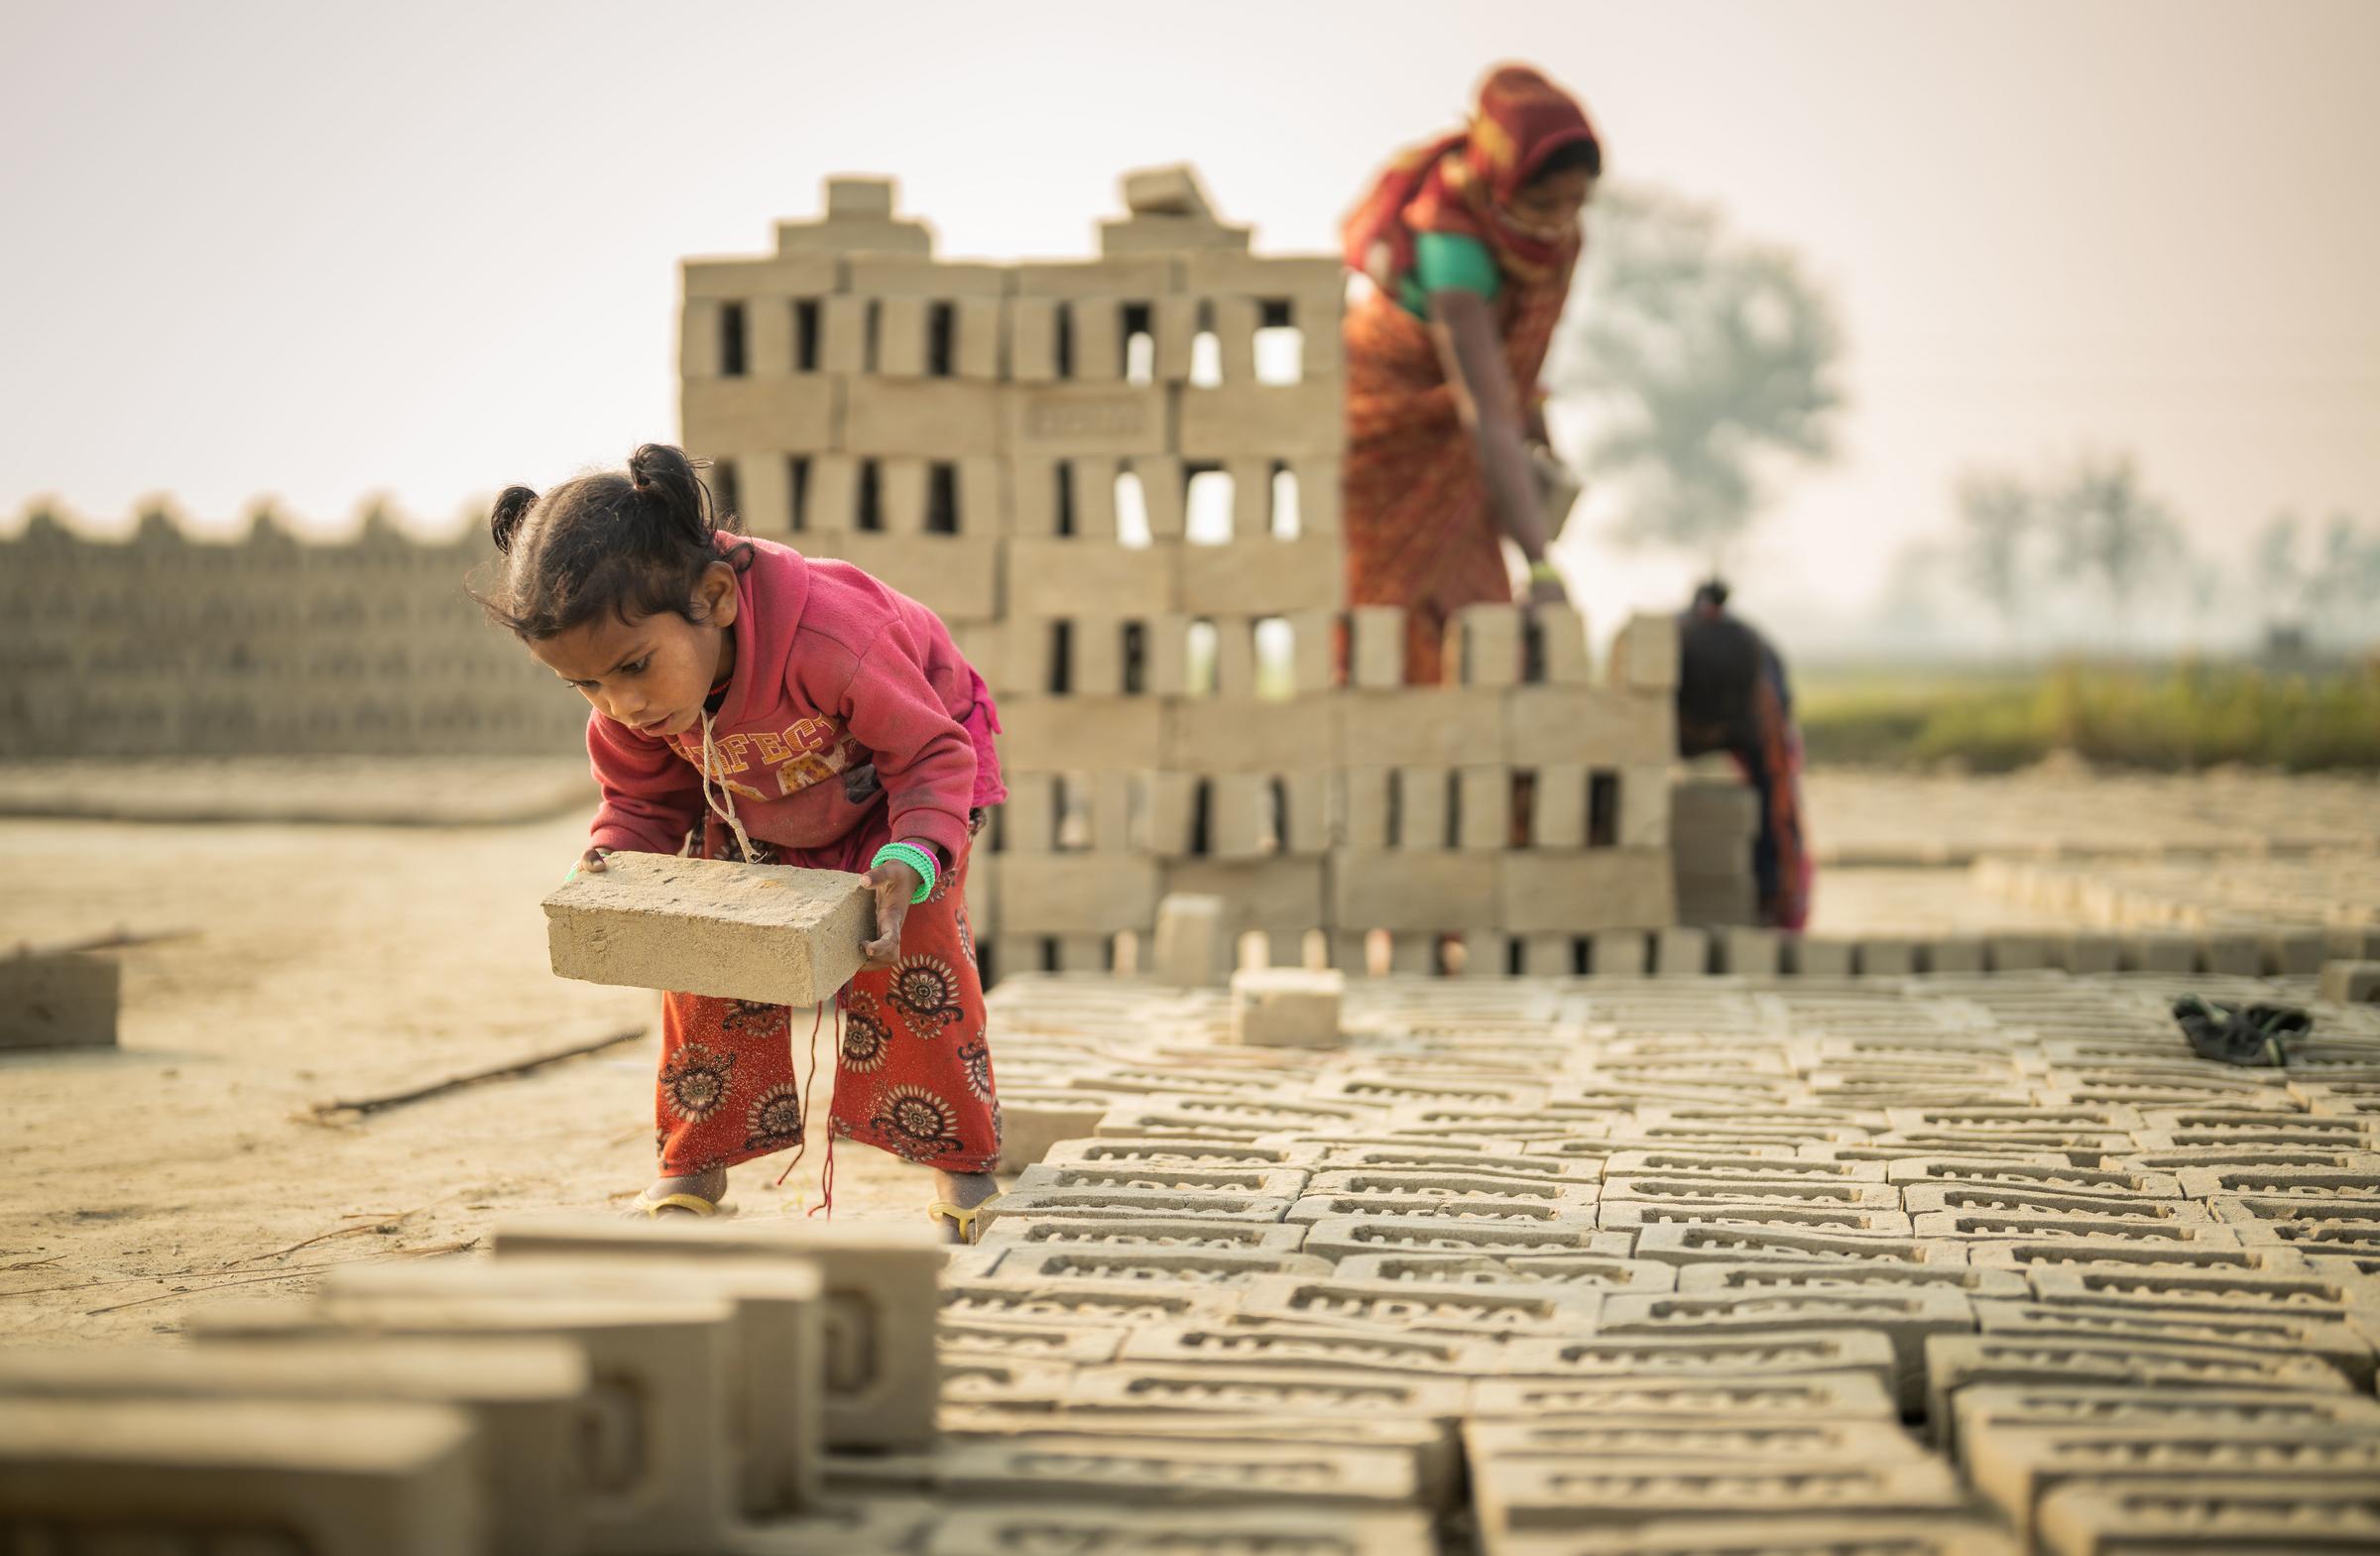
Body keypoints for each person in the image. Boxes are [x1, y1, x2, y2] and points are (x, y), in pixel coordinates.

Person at [474, 443, 1006, 1243]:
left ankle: (964, 1167)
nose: (619, 703)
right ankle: (695, 1161)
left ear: (716, 597)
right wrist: (617, 861)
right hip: (754, 805)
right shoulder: (637, 708)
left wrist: (910, 860)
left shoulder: (832, 642)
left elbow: (930, 755)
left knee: (915, 961)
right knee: (703, 956)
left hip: (902, 791)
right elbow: (643, 800)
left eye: (633, 667)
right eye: (586, 685)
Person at [1341, 63, 1603, 686]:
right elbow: (1484, 407)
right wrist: (1540, 564)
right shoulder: (1452, 249)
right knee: (1386, 636)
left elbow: (1515, 373)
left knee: (1479, 631)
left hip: (1475, 455)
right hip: (1390, 448)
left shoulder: (1550, 244)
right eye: (1543, 202)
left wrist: (1539, 436)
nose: (1558, 221)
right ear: (1501, 179)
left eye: (1577, 202)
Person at [1676, 580, 1812, 932]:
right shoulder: (1660, 667)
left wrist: (1772, 894)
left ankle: (1780, 913)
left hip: (1755, 726)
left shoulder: (1764, 702)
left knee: (1773, 808)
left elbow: (1779, 814)